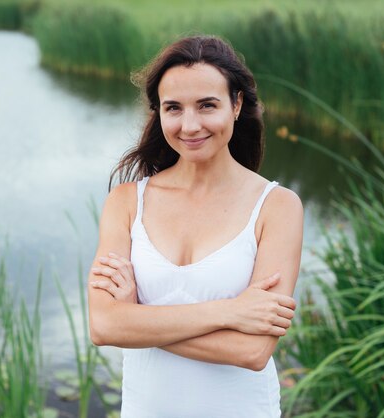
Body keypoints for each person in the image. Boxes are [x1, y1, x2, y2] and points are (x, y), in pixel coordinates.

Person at [87, 35, 303, 418]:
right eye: (173, 108)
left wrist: (137, 318)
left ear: (236, 105)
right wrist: (231, 312)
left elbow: (252, 351)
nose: (190, 125)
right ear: (159, 113)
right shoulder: (125, 203)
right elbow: (104, 325)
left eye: (207, 105)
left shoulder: (277, 207)